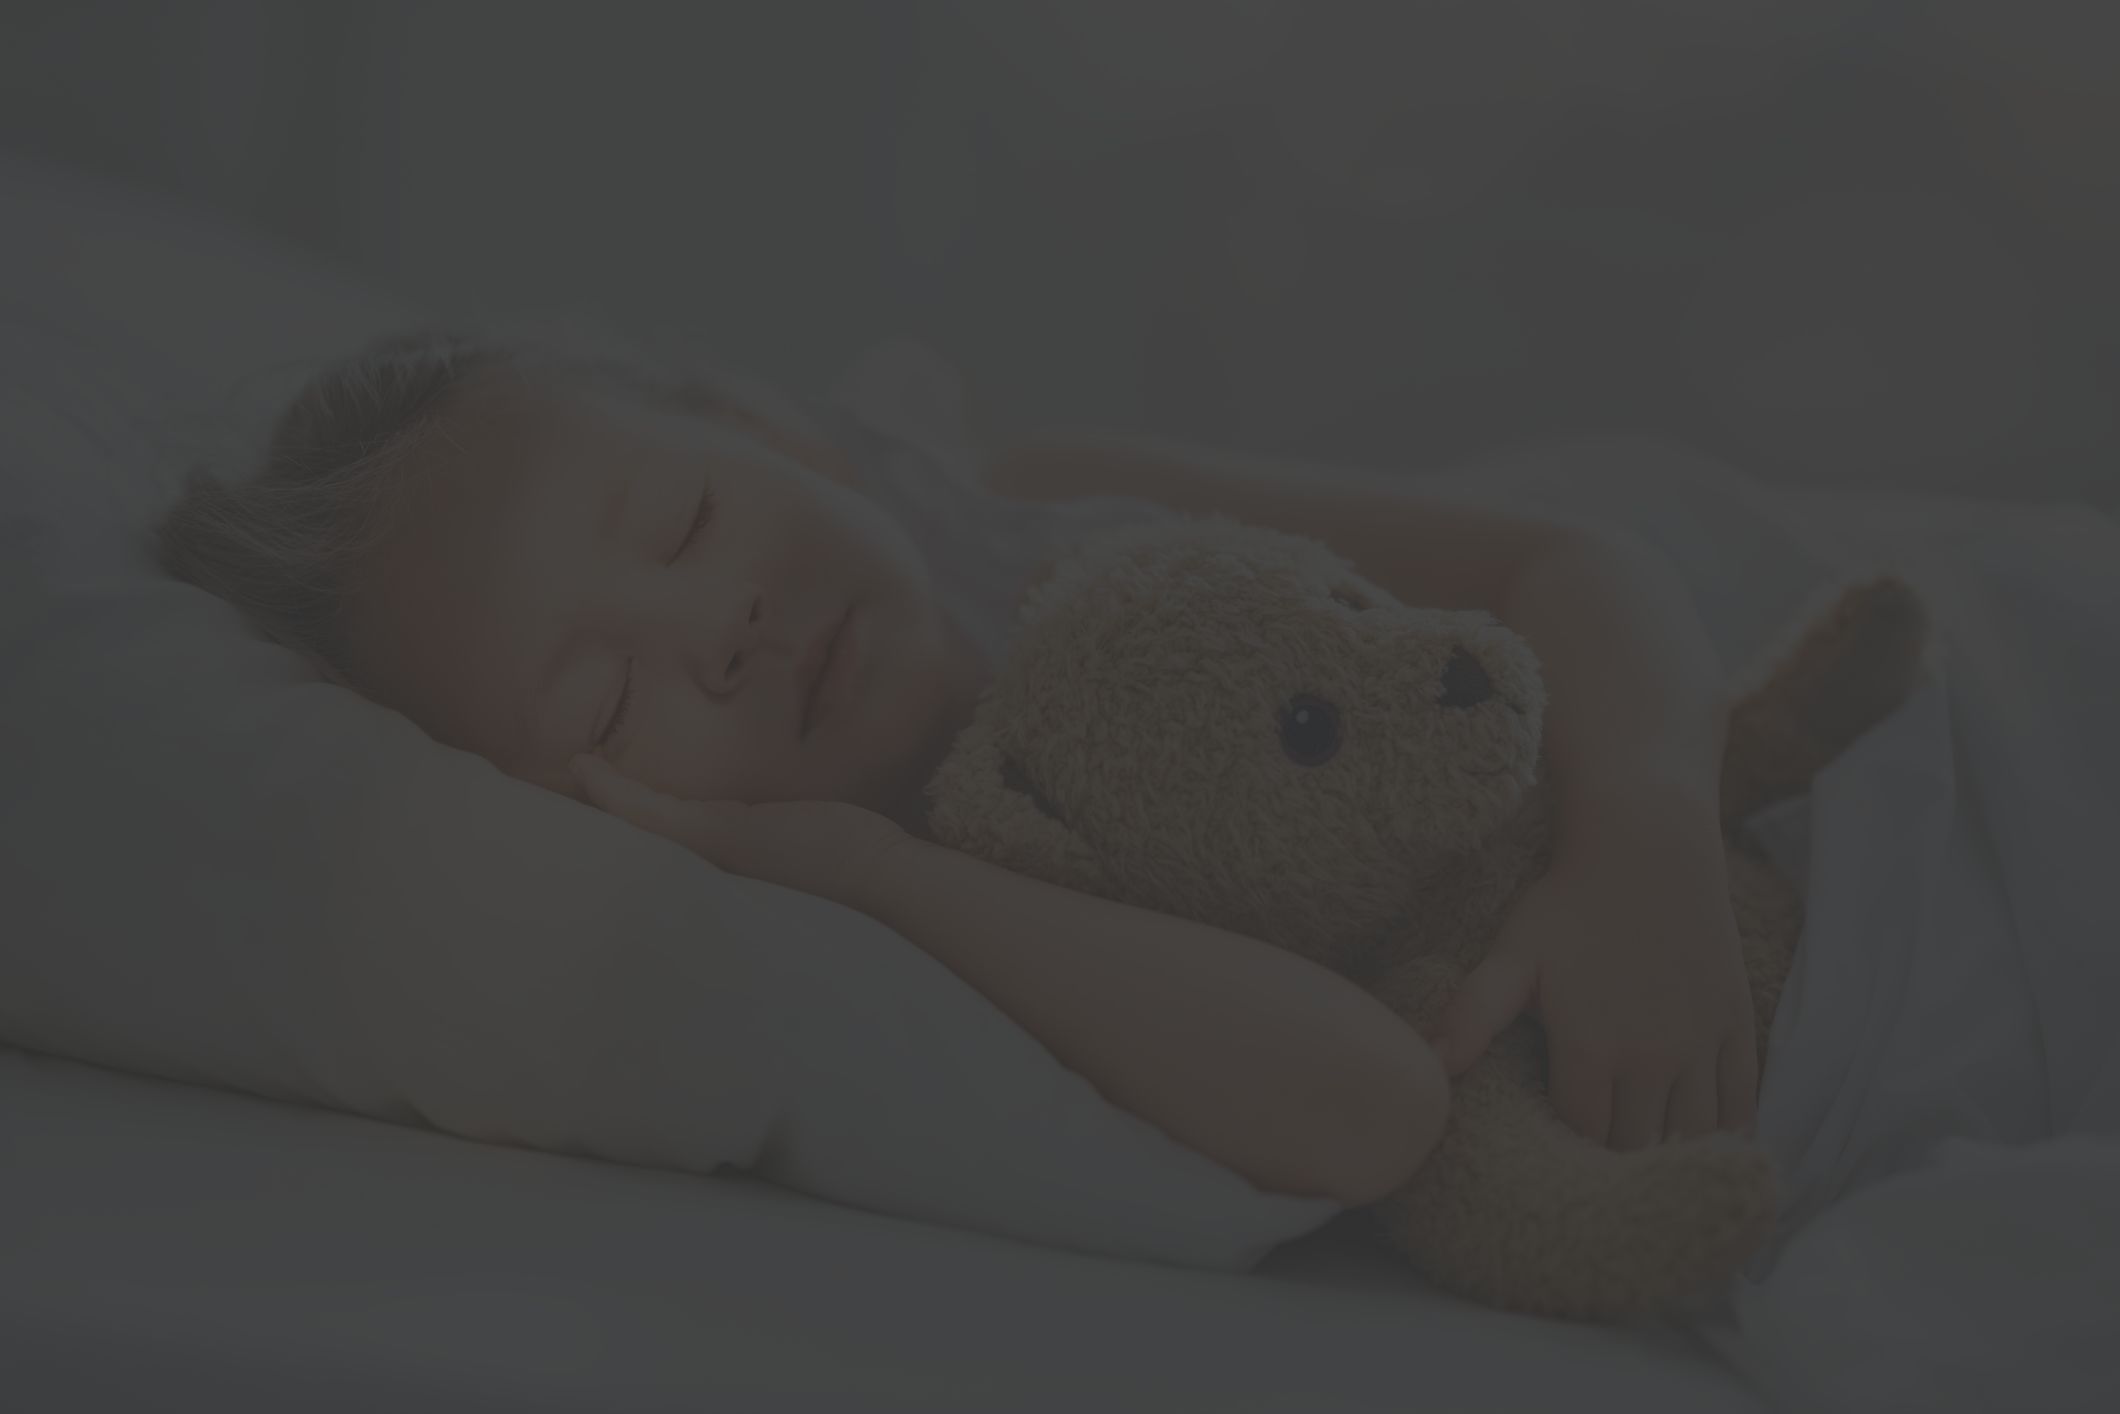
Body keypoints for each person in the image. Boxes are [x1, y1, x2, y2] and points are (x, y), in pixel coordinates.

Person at [155, 327, 1755, 1210]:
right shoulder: (932, 911)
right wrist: (872, 875)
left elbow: (1570, 564)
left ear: (770, 436)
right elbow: (1370, 1106)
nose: (725, 626)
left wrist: (1648, 839)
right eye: (607, 696)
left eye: (686, 521)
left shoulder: (1044, 513)